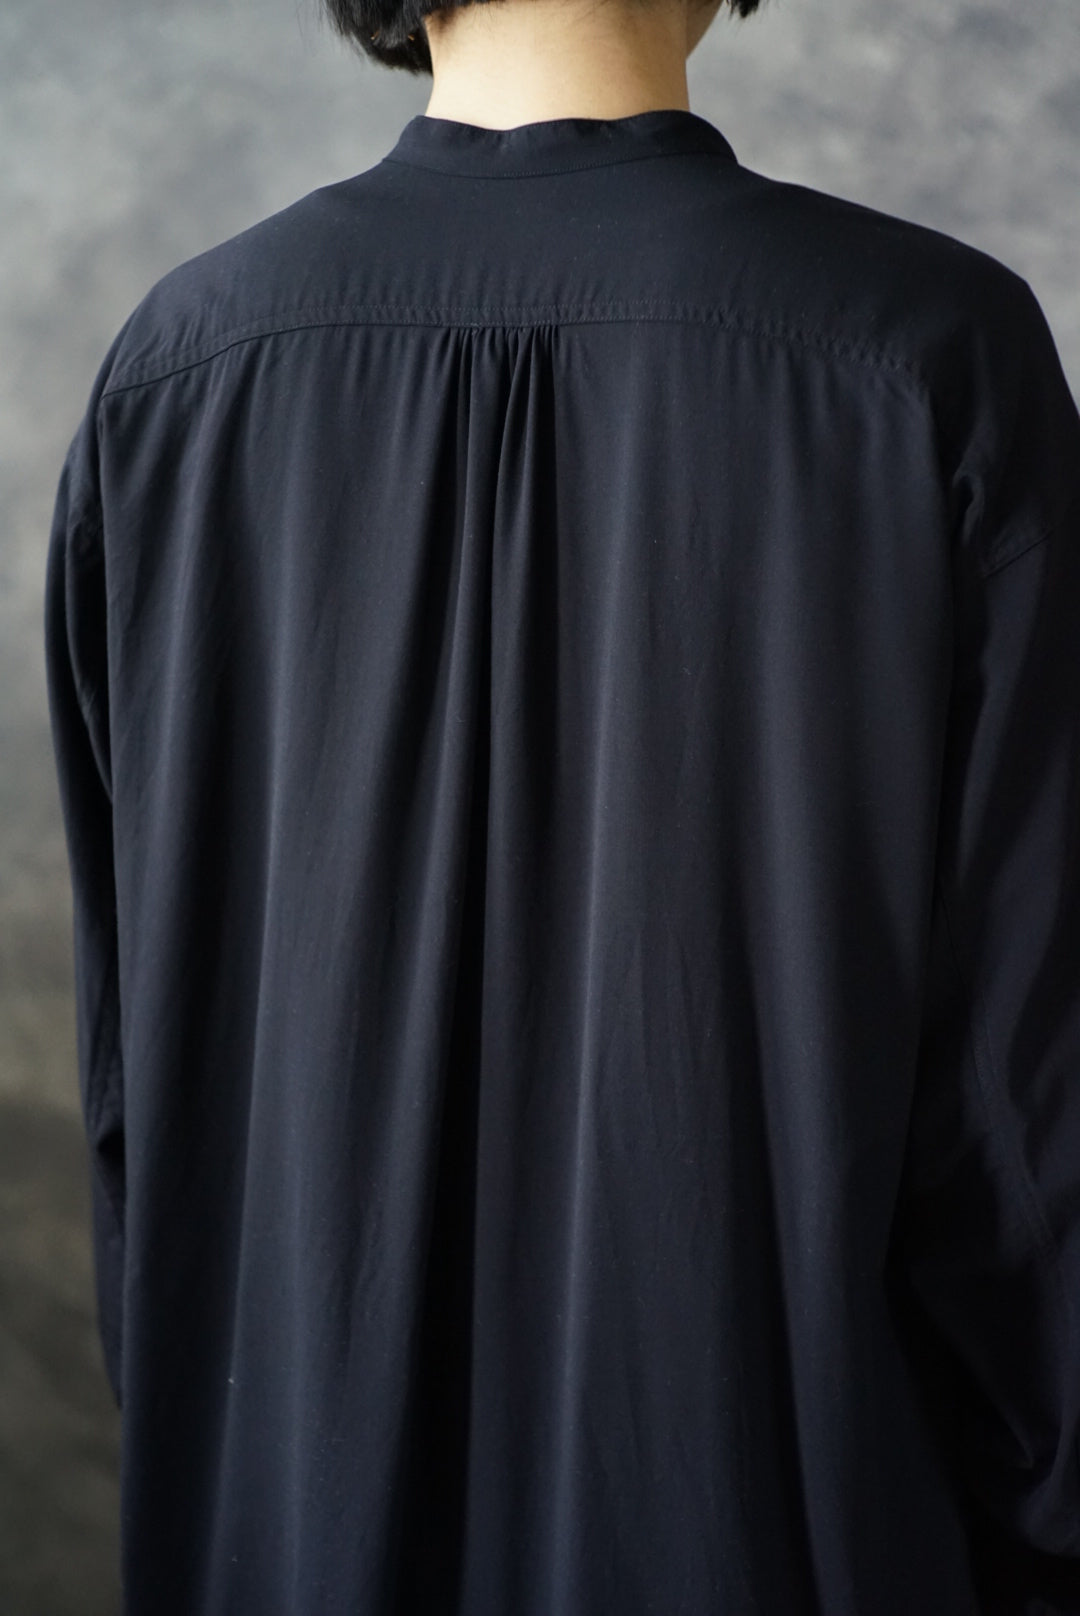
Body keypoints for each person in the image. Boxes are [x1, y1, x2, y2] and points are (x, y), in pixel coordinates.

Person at [42, 0, 1080, 1608]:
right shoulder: (926, 353)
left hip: (299, 1519)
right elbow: (1028, 1109)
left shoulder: (176, 375)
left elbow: (145, 1091)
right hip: (773, 1522)